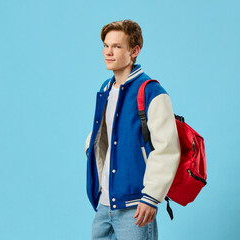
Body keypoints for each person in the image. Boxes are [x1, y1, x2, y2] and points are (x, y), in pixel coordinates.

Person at [85, 19, 180, 240]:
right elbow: (101, 134)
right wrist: (90, 151)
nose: (108, 52)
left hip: (135, 205)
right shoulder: (105, 89)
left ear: (134, 51)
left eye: (117, 46)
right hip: (104, 205)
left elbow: (167, 148)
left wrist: (152, 197)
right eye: (106, 46)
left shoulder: (152, 92)